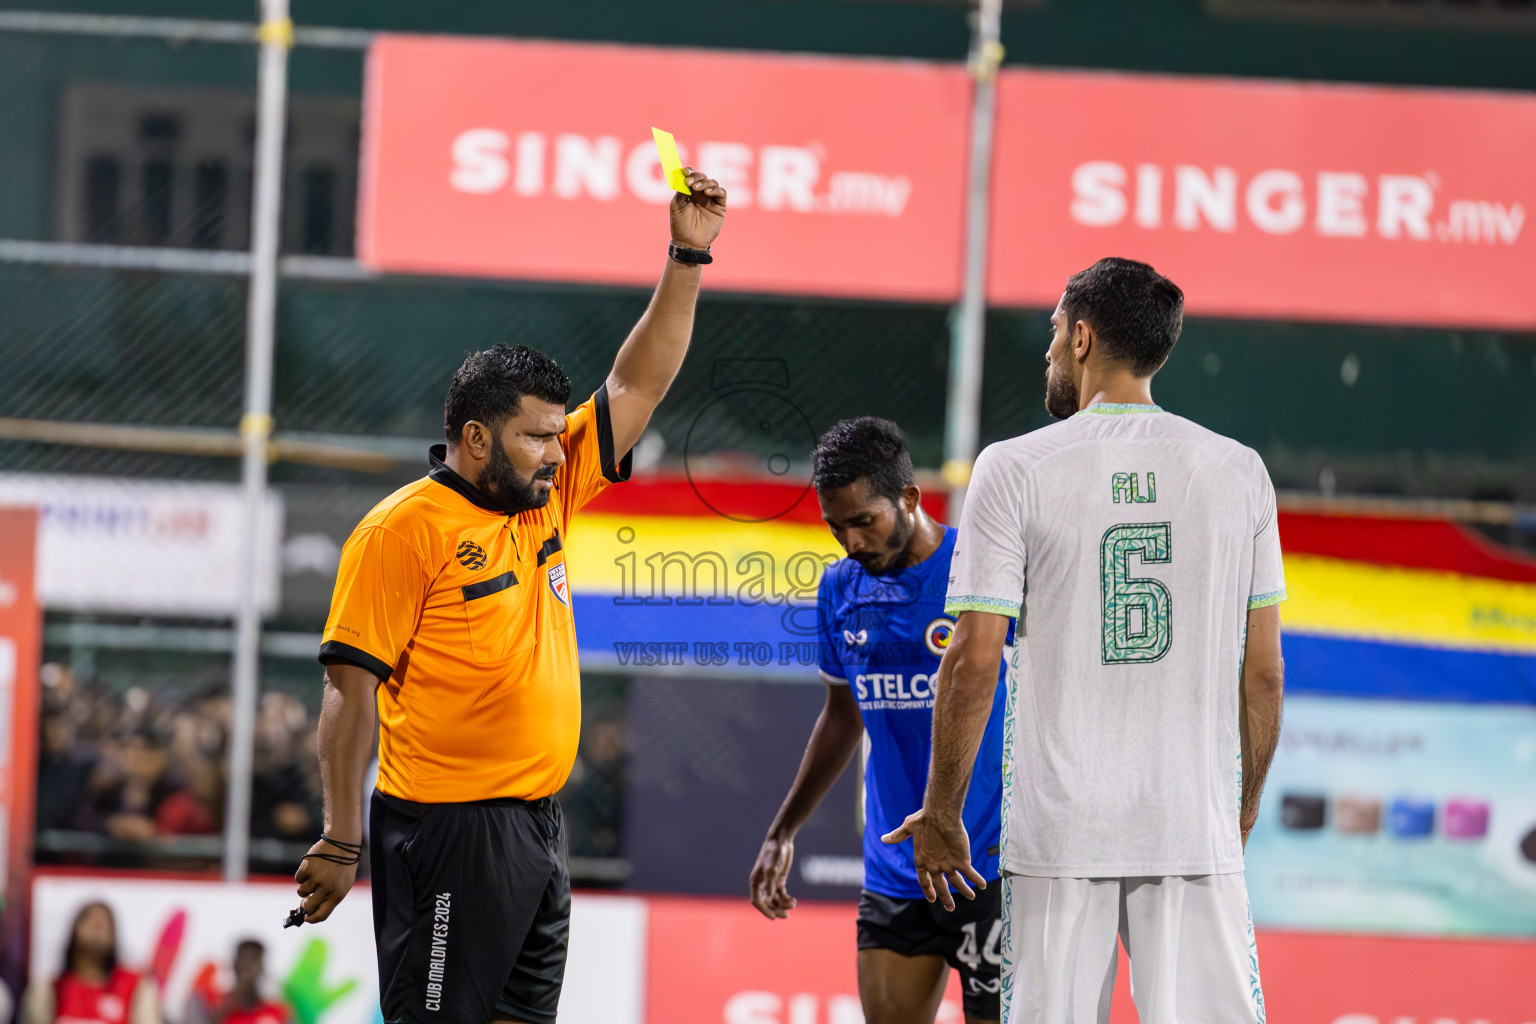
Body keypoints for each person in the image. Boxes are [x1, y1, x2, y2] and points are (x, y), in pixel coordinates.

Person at [294, 166, 727, 1024]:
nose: (556, 452)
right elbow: (349, 692)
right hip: (445, 837)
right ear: (475, 436)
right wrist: (342, 837)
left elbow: (637, 385)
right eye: (536, 436)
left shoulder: (548, 491)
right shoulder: (401, 531)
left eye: (556, 435)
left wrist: (687, 255)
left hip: (537, 827)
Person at [883, 257, 1286, 1024]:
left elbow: (972, 662)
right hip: (1188, 825)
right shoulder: (1240, 472)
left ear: (1080, 335)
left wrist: (942, 811)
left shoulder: (1013, 468)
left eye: (1049, 334)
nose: (1045, 354)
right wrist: (1239, 808)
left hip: (1060, 833)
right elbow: (1263, 673)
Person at [750, 418, 1010, 1024]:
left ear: (910, 498)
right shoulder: (840, 588)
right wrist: (782, 831)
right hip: (897, 869)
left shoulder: (980, 570)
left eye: (864, 521)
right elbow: (842, 717)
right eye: (835, 527)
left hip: (992, 866)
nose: (851, 542)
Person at [21, 901, 161, 1024]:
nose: (97, 926)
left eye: (105, 923)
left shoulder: (137, 987)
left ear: (114, 936)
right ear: (74, 929)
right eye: (89, 919)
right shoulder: (47, 989)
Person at [184, 940, 288, 1024]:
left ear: (262, 968)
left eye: (253, 960)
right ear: (233, 964)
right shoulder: (209, 1002)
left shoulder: (277, 1013)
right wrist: (219, 1014)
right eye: (242, 959)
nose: (246, 967)